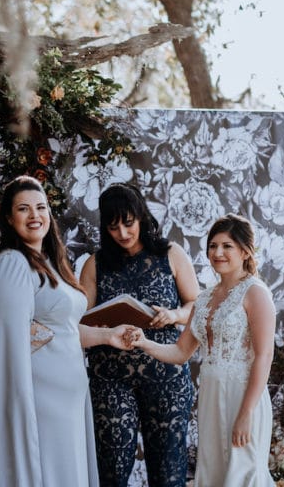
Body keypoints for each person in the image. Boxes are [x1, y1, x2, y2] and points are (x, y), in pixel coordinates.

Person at [0, 175, 133, 487]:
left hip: (67, 398)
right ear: (10, 219)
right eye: (24, 209)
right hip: (37, 400)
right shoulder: (12, 263)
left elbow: (62, 330)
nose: (35, 215)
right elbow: (11, 338)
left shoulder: (50, 263)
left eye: (41, 207)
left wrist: (107, 335)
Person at [126, 214, 276, 486]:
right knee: (215, 475)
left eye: (227, 246)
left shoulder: (256, 293)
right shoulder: (203, 299)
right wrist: (142, 341)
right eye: (213, 246)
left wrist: (246, 414)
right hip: (210, 397)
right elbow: (181, 352)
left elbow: (264, 356)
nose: (217, 252)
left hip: (243, 397)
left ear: (244, 251)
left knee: (244, 474)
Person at [79, 183, 200, 486]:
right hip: (110, 377)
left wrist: (173, 315)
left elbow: (197, 304)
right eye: (113, 225)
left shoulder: (171, 253)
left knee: (169, 471)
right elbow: (79, 321)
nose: (122, 232)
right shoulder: (95, 264)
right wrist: (101, 326)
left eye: (128, 222)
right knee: (112, 469)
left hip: (166, 375)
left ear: (142, 217)